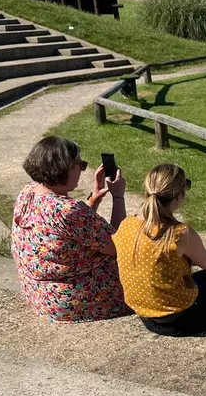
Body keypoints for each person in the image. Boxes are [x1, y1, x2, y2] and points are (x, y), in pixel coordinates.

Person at [112, 163, 206, 336]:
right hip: (180, 322)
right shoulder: (180, 233)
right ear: (179, 195)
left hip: (146, 316)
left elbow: (158, 255)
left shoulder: (127, 225)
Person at [11, 136, 129, 323]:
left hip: (39, 295)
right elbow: (119, 246)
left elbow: (70, 231)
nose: (82, 170)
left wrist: (93, 199)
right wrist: (118, 197)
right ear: (65, 168)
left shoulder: (28, 192)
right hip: (72, 301)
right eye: (80, 165)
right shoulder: (68, 210)